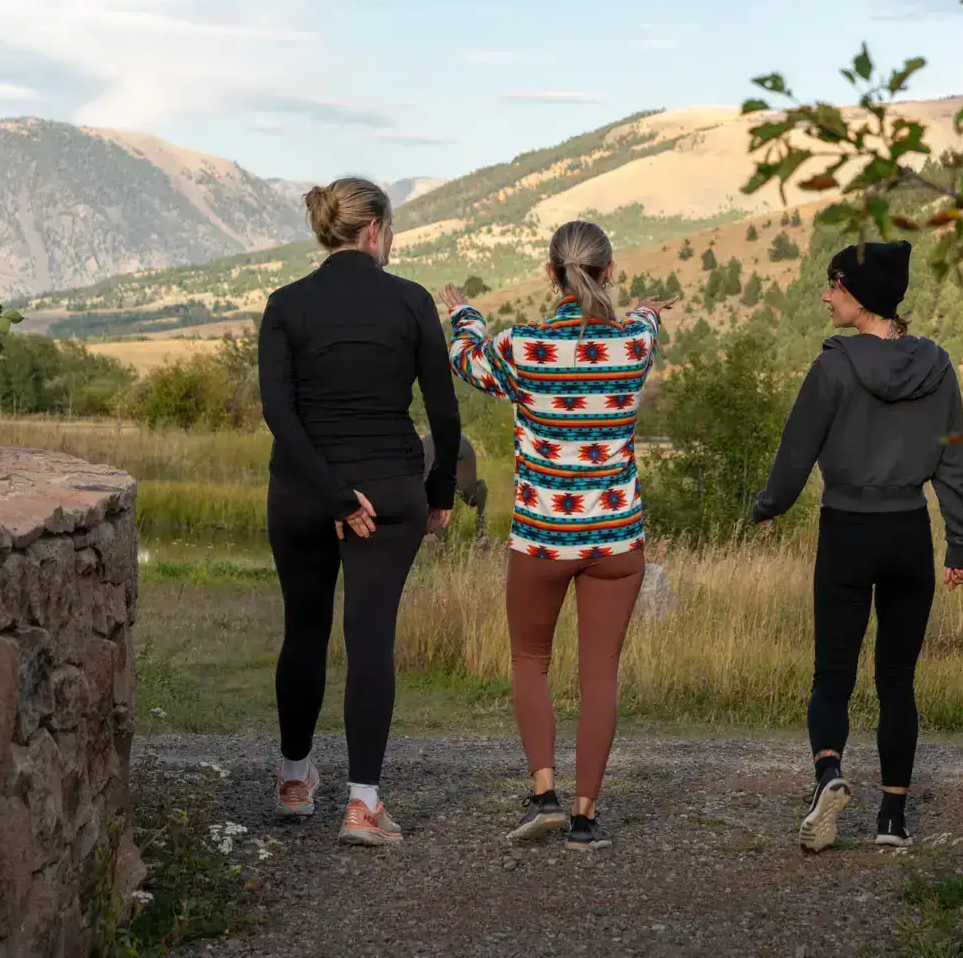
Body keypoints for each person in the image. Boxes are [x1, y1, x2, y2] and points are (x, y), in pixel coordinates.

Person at [440, 221, 675, 852]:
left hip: (542, 535)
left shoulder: (521, 347)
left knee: (529, 662)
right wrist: (650, 308)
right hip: (616, 540)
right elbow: (648, 322)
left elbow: (464, 361)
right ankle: (584, 817)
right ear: (609, 273)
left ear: (551, 274)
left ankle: (543, 793)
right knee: (600, 671)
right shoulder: (632, 344)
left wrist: (464, 314)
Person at [749, 239, 963, 852]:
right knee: (897, 678)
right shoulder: (938, 367)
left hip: (847, 530)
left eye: (833, 286)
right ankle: (893, 822)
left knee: (833, 675)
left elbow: (796, 451)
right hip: (909, 534)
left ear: (856, 294)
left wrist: (767, 506)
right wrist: (960, 546)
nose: (825, 296)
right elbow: (952, 463)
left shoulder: (834, 366)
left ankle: (829, 774)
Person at [258, 177, 461, 847]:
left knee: (303, 630)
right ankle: (363, 806)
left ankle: (294, 779)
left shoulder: (286, 305)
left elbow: (280, 415)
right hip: (390, 488)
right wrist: (438, 496)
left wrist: (331, 492)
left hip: (301, 493)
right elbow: (444, 413)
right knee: (369, 638)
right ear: (375, 230)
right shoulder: (409, 301)